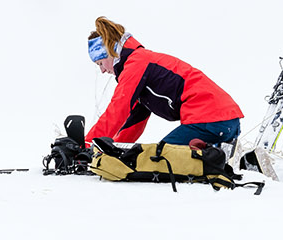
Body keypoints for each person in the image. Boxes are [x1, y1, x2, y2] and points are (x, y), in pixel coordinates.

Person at [84, 16, 244, 147]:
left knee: (161, 158)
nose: (103, 70)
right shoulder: (140, 62)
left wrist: (87, 144)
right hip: (225, 121)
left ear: (110, 51)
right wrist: (113, 150)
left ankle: (219, 157)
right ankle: (225, 158)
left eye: (100, 63)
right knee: (167, 158)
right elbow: (135, 121)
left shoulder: (136, 63)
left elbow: (118, 109)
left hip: (210, 120)